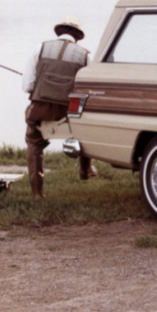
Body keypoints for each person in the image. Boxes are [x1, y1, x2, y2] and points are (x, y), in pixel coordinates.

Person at [22, 16, 94, 197]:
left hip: (41, 109)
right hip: (70, 110)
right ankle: (85, 171)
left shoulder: (40, 48)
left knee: (34, 142)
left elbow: (27, 86)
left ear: (59, 32)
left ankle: (38, 192)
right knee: (86, 128)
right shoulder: (86, 55)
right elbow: (87, 90)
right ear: (77, 36)